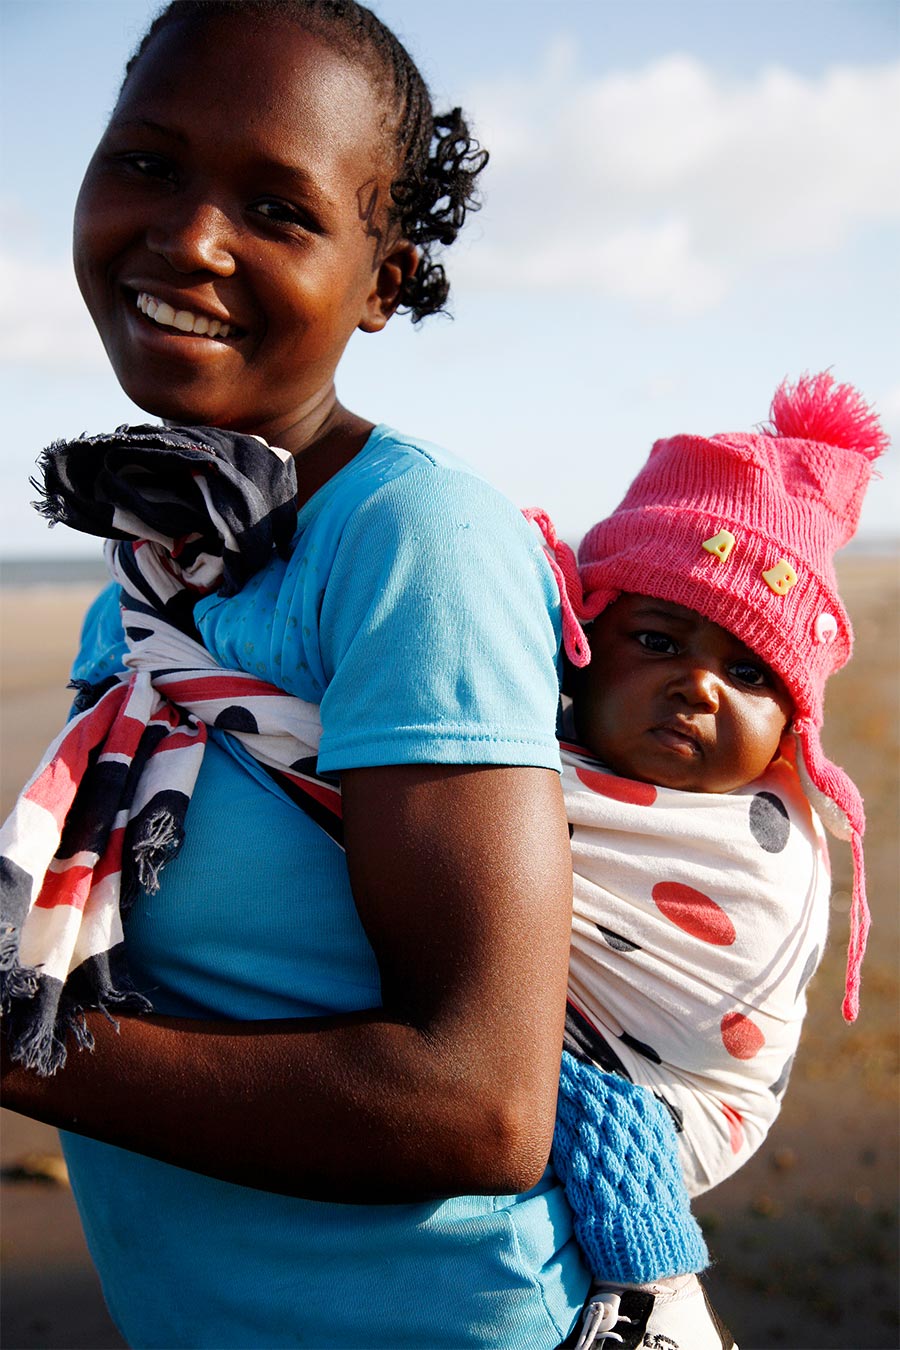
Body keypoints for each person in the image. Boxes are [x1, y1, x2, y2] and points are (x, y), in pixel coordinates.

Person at [0, 2, 621, 1345]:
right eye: (150, 164)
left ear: (383, 282)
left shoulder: (413, 540)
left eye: (277, 208)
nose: (190, 238)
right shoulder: (158, 563)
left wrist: (19, 1036)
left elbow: (481, 1103)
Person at [526, 371, 885, 1348]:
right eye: (656, 639)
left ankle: (659, 1300)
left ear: (789, 729)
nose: (697, 688)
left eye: (748, 672)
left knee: (546, 1095)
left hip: (672, 1105)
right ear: (581, 644)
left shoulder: (760, 849)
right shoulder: (530, 752)